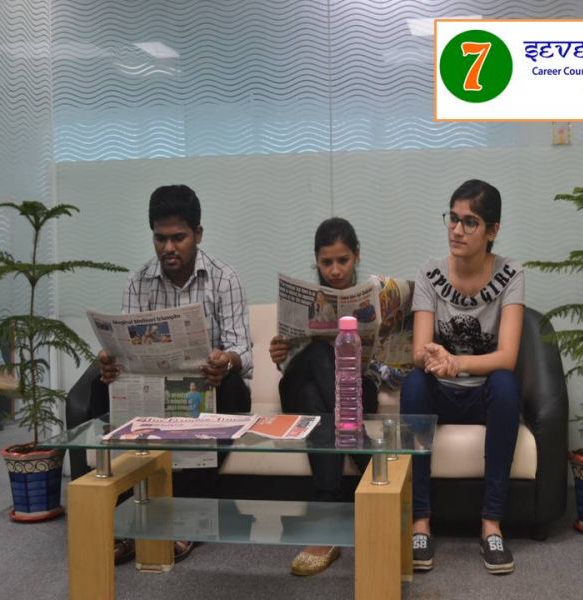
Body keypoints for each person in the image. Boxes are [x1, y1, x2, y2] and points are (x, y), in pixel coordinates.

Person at [98, 184, 253, 565]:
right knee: (94, 387)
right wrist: (110, 362)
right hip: (152, 387)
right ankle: (126, 515)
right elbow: (126, 349)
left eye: (178, 238)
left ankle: (185, 517)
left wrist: (226, 360)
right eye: (160, 238)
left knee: (233, 389)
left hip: (210, 389)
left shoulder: (224, 278)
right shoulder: (138, 281)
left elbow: (243, 350)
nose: (168, 248)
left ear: (198, 234)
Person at [401, 179, 524, 575]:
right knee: (414, 383)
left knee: (506, 385)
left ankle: (491, 526)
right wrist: (434, 357)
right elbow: (419, 350)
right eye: (453, 218)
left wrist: (458, 361)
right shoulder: (429, 273)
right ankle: (420, 523)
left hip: (482, 394)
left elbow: (507, 357)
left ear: (492, 230)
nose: (457, 230)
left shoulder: (511, 273)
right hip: (440, 391)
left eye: (470, 222)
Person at [268, 217, 380, 576]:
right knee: (318, 354)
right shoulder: (302, 298)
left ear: (356, 255)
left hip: (352, 389)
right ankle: (362, 448)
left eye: (342, 260)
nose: (334, 270)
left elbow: (386, 369)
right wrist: (279, 352)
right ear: (316, 260)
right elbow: (288, 363)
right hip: (299, 383)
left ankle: (325, 523)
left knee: (315, 395)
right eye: (326, 262)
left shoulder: (371, 299)